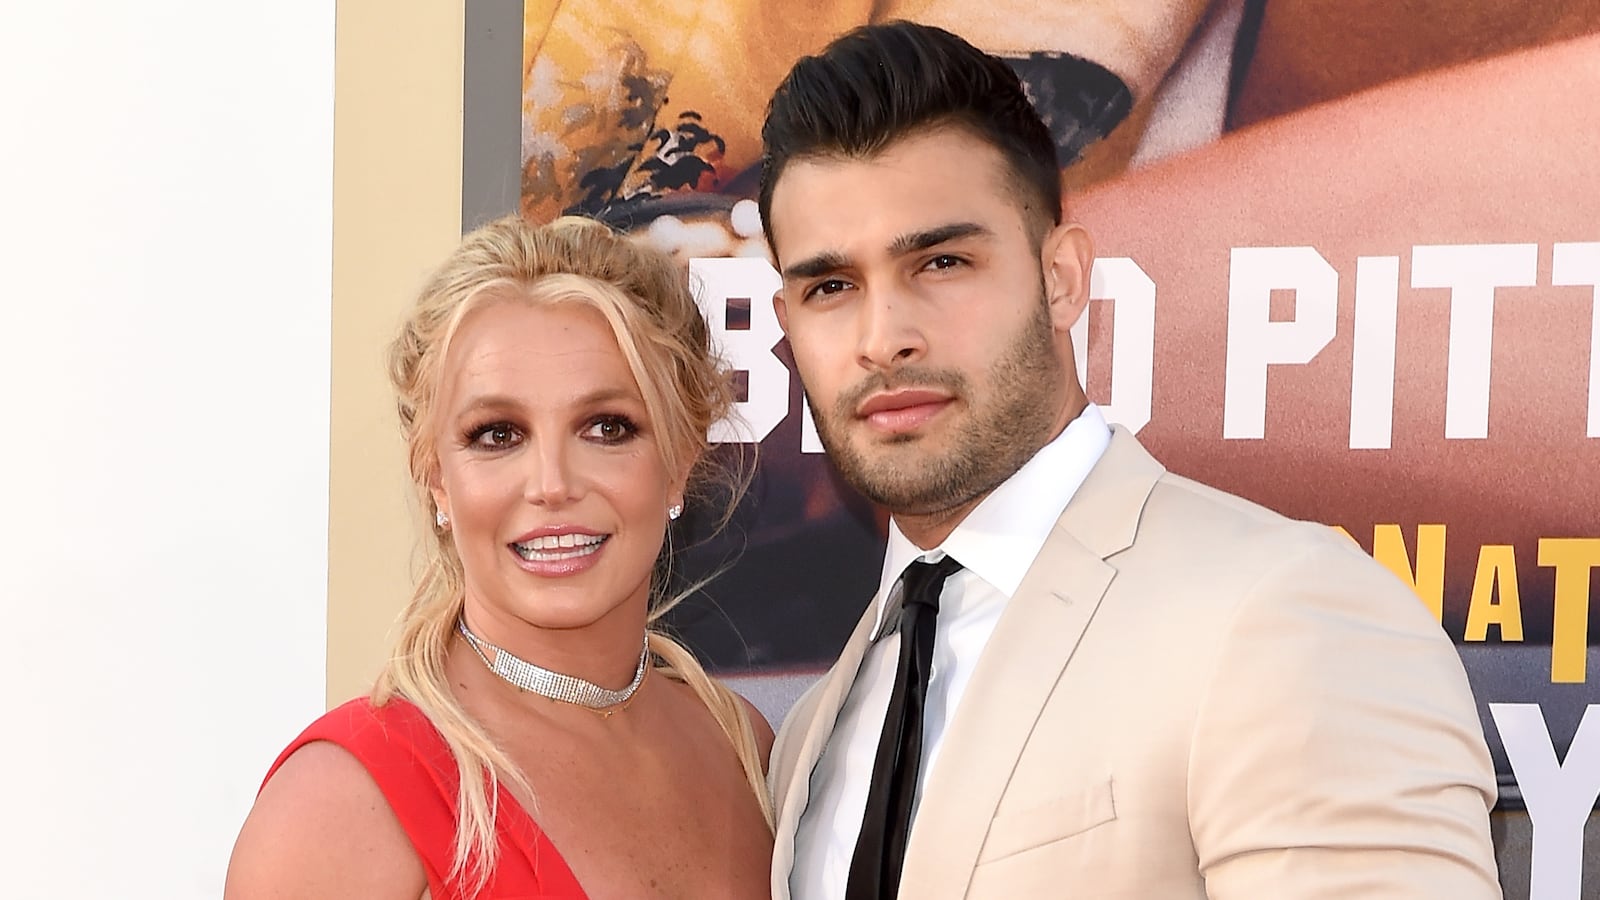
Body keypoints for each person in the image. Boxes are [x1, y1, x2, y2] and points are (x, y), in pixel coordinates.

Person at [759, 21, 1500, 899]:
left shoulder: (1284, 614)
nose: (884, 339)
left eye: (943, 261)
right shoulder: (815, 729)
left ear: (1065, 278)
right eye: (831, 287)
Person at [224, 216, 775, 899]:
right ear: (435, 476)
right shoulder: (341, 806)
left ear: (680, 459)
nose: (551, 483)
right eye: (497, 434)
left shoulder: (743, 747)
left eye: (607, 428)